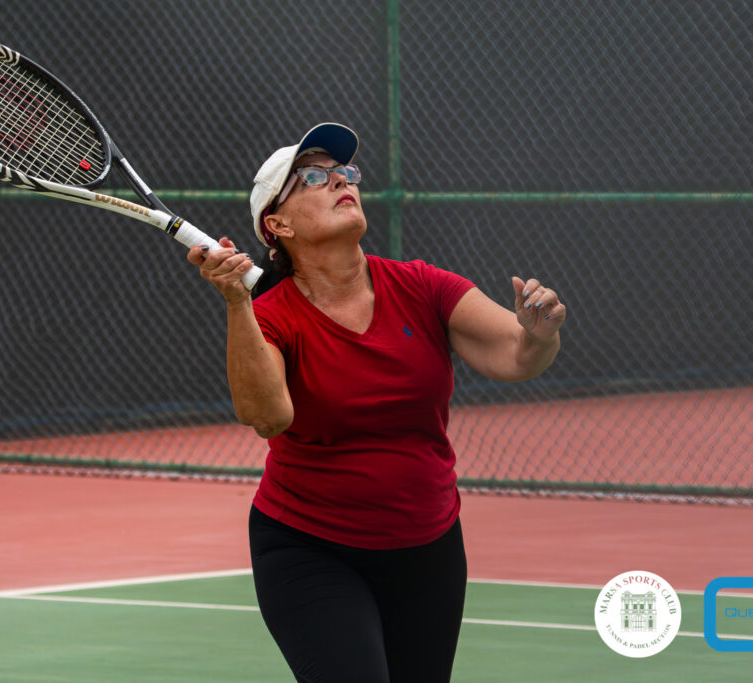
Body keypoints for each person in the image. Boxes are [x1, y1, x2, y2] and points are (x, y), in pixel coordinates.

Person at [187, 123, 565, 683]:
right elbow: (267, 417)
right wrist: (237, 305)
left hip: (429, 548)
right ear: (278, 225)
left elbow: (516, 356)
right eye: (314, 178)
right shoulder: (269, 316)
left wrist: (540, 333)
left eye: (345, 172)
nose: (342, 181)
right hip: (309, 549)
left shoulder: (423, 286)